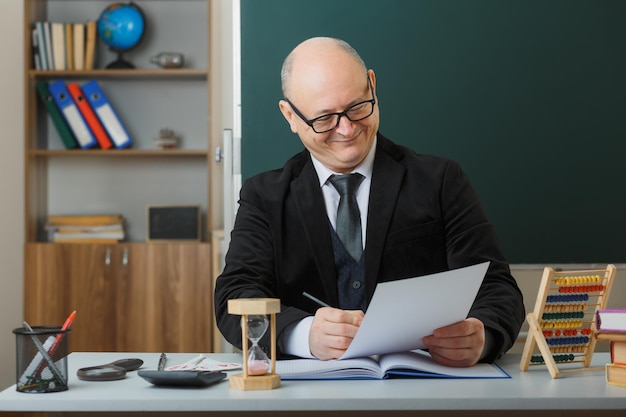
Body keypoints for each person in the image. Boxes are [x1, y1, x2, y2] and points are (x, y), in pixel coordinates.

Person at [215, 36, 525, 367]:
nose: (346, 130)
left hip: (424, 390)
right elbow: (235, 298)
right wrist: (305, 335)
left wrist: (483, 335)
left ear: (373, 87)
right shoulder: (264, 197)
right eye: (324, 119)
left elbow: (496, 286)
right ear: (290, 116)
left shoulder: (440, 180)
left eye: (357, 107)